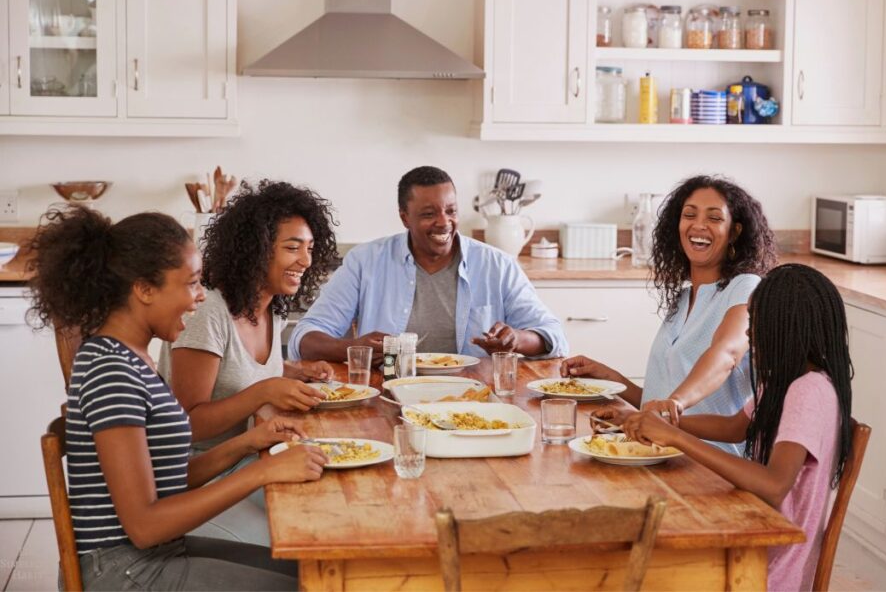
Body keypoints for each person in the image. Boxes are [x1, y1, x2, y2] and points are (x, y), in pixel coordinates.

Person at [27, 207, 326, 591]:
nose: (200, 297)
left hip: (154, 556)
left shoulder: (133, 358)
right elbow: (145, 525)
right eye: (191, 284)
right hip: (124, 571)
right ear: (144, 289)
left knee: (313, 572)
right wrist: (263, 471)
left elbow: (166, 479)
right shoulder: (110, 371)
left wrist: (249, 442)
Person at [619, 264, 854, 592]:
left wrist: (676, 437)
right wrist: (663, 420)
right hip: (756, 542)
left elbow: (773, 486)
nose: (749, 334)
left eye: (755, 323)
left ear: (785, 328)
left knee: (645, 569)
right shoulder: (785, 381)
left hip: (769, 569)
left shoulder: (809, 391)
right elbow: (734, 428)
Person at [564, 175, 776, 454]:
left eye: (714, 218)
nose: (698, 225)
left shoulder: (746, 287)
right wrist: (609, 377)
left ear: (735, 232)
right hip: (664, 454)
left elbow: (727, 354)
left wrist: (674, 403)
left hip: (713, 464)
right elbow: (659, 404)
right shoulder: (684, 298)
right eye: (689, 215)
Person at [289, 166, 567, 361]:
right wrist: (353, 348)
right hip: (389, 394)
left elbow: (554, 337)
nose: (444, 222)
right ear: (404, 218)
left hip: (476, 399)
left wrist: (517, 339)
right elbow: (304, 338)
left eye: (451, 211)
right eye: (428, 213)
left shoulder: (497, 265)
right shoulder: (365, 261)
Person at [161, 181, 340, 453]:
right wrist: (265, 392)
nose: (306, 261)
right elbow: (187, 424)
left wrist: (297, 372)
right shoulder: (208, 311)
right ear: (256, 249)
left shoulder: (271, 305)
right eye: (293, 248)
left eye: (310, 249)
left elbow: (236, 370)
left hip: (252, 453)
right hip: (201, 470)